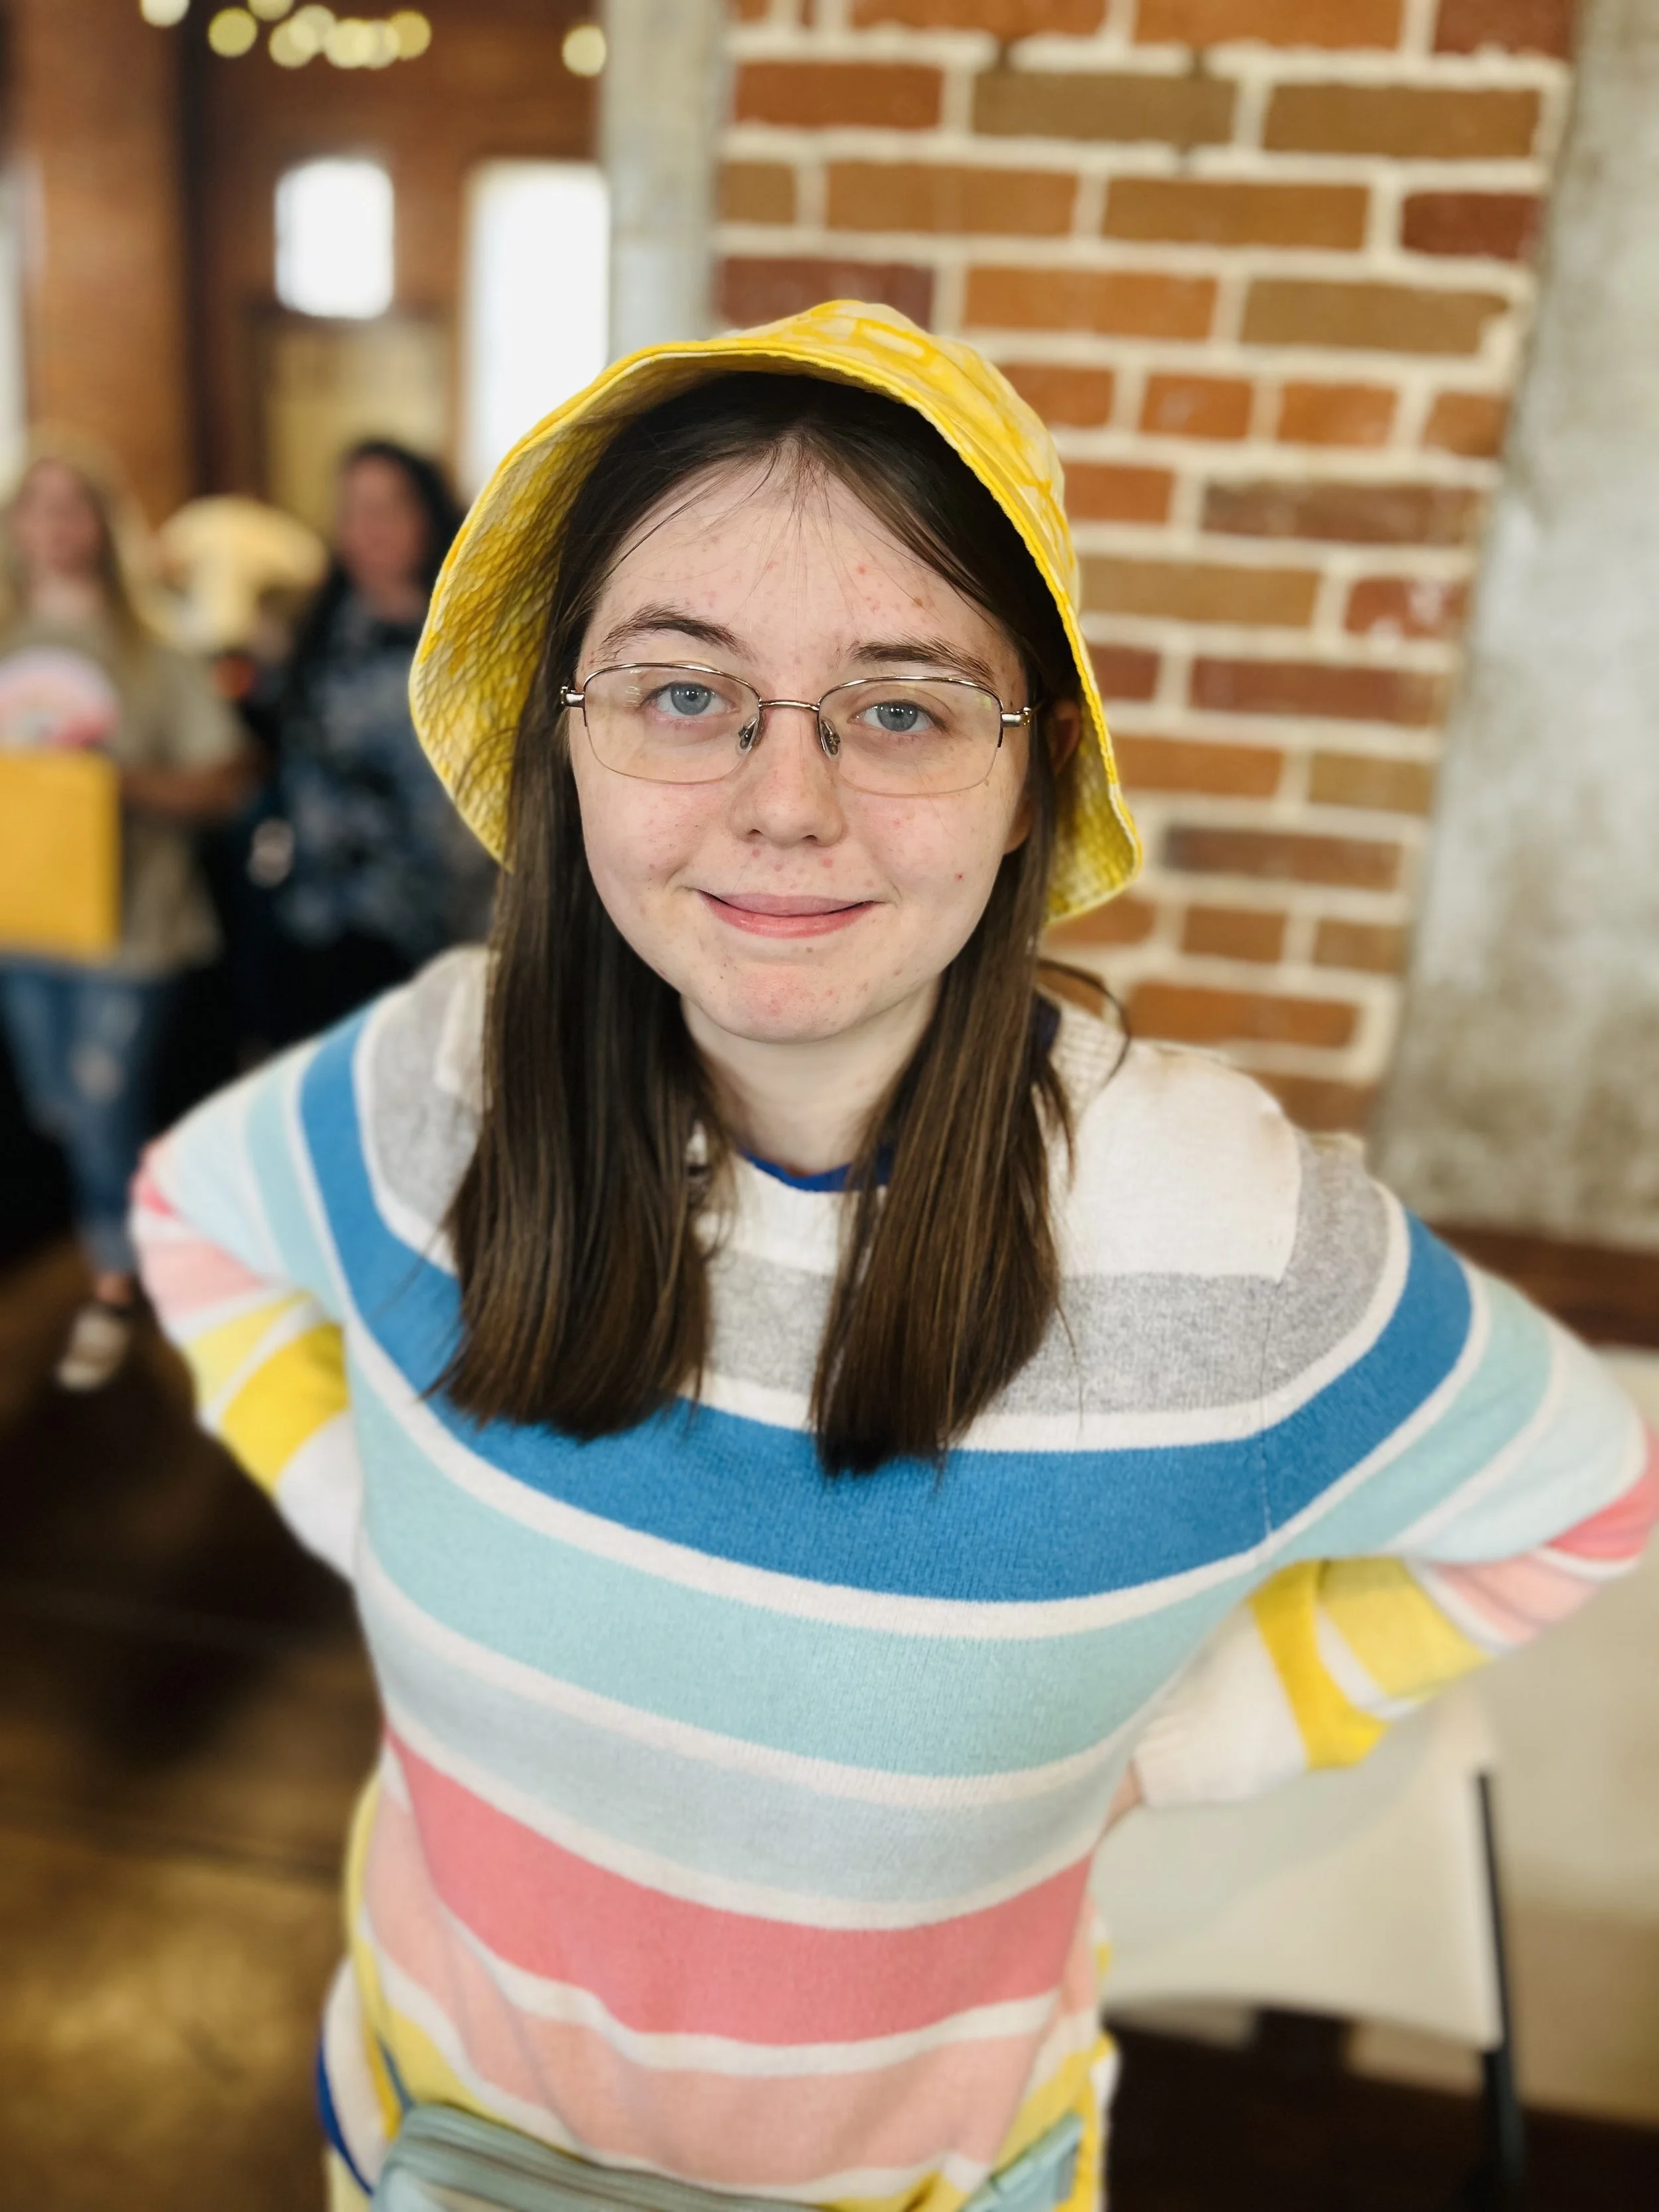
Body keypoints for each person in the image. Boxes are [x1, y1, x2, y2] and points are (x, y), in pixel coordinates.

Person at [132, 305, 1656, 2211]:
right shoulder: (419, 1085)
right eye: (684, 693)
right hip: (423, 2159)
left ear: (1031, 772)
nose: (786, 800)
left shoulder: (1233, 1236)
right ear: (566, 737)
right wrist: (379, 1514)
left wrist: (1171, 1738)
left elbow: (1584, 1495)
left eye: (906, 704)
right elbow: (190, 1209)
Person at [0, 437, 247, 1391]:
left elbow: (226, 783)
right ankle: (145, 1231)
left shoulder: (158, 649)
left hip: (133, 931)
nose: (57, 529)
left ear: (104, 529)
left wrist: (114, 783)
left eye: (76, 509)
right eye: (39, 507)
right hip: (21, 930)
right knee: (58, 1105)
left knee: (103, 1109)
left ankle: (114, 1285)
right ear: (18, 526)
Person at [257, 439, 494, 1046]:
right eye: (354, 511)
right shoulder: (314, 634)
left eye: (388, 508)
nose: (370, 530)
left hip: (447, 915)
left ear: (428, 515)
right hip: (323, 916)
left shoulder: (470, 638)